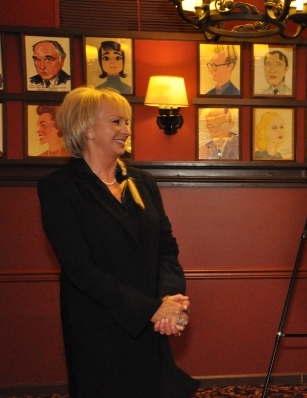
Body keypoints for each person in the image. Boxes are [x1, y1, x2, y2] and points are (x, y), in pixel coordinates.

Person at [37, 86, 200, 397]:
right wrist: (151, 309)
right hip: (100, 330)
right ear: (86, 129)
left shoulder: (143, 182)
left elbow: (166, 248)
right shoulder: (59, 189)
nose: (127, 130)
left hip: (151, 326)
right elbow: (80, 269)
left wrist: (172, 297)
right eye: (116, 122)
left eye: (126, 122)